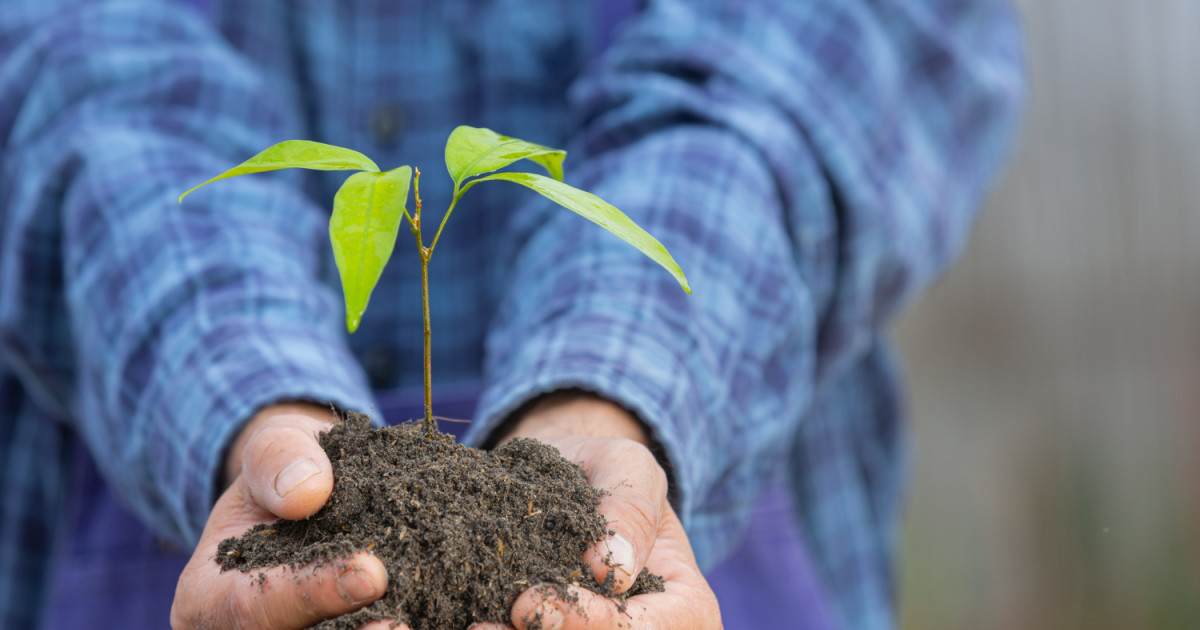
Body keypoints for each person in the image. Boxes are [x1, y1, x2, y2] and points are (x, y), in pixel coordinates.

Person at [0, 1, 1025, 628]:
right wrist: (236, 378)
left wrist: (615, 387)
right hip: (142, 509)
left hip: (715, 511)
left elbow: (821, 56)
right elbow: (69, 76)